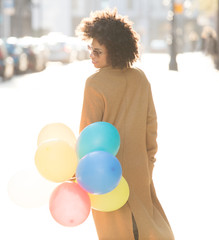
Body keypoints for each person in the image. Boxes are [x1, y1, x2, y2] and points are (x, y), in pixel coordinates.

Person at [76, 9, 175, 240]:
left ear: (115, 51)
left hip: (105, 175)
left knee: (116, 232)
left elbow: (87, 135)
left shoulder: (94, 84)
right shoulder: (140, 79)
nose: (92, 55)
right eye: (90, 49)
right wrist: (147, 164)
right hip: (139, 171)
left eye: (98, 51)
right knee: (146, 228)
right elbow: (152, 129)